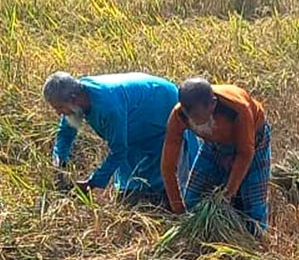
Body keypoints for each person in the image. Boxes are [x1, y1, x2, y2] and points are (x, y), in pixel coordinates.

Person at [43, 71, 198, 207]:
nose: (58, 113)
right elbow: (65, 132)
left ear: (73, 98)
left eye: (59, 107)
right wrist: (59, 162)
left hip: (161, 102)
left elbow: (118, 152)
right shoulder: (78, 99)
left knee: (168, 180)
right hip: (136, 110)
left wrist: (92, 183)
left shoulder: (108, 106)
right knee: (130, 191)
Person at [160, 77, 272, 235]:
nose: (193, 120)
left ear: (213, 104)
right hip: (214, 145)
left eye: (197, 115)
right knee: (193, 199)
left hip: (253, 143)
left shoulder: (237, 109)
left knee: (254, 207)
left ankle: (255, 240)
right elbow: (168, 167)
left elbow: (245, 153)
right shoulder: (180, 115)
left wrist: (228, 194)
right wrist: (179, 210)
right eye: (188, 114)